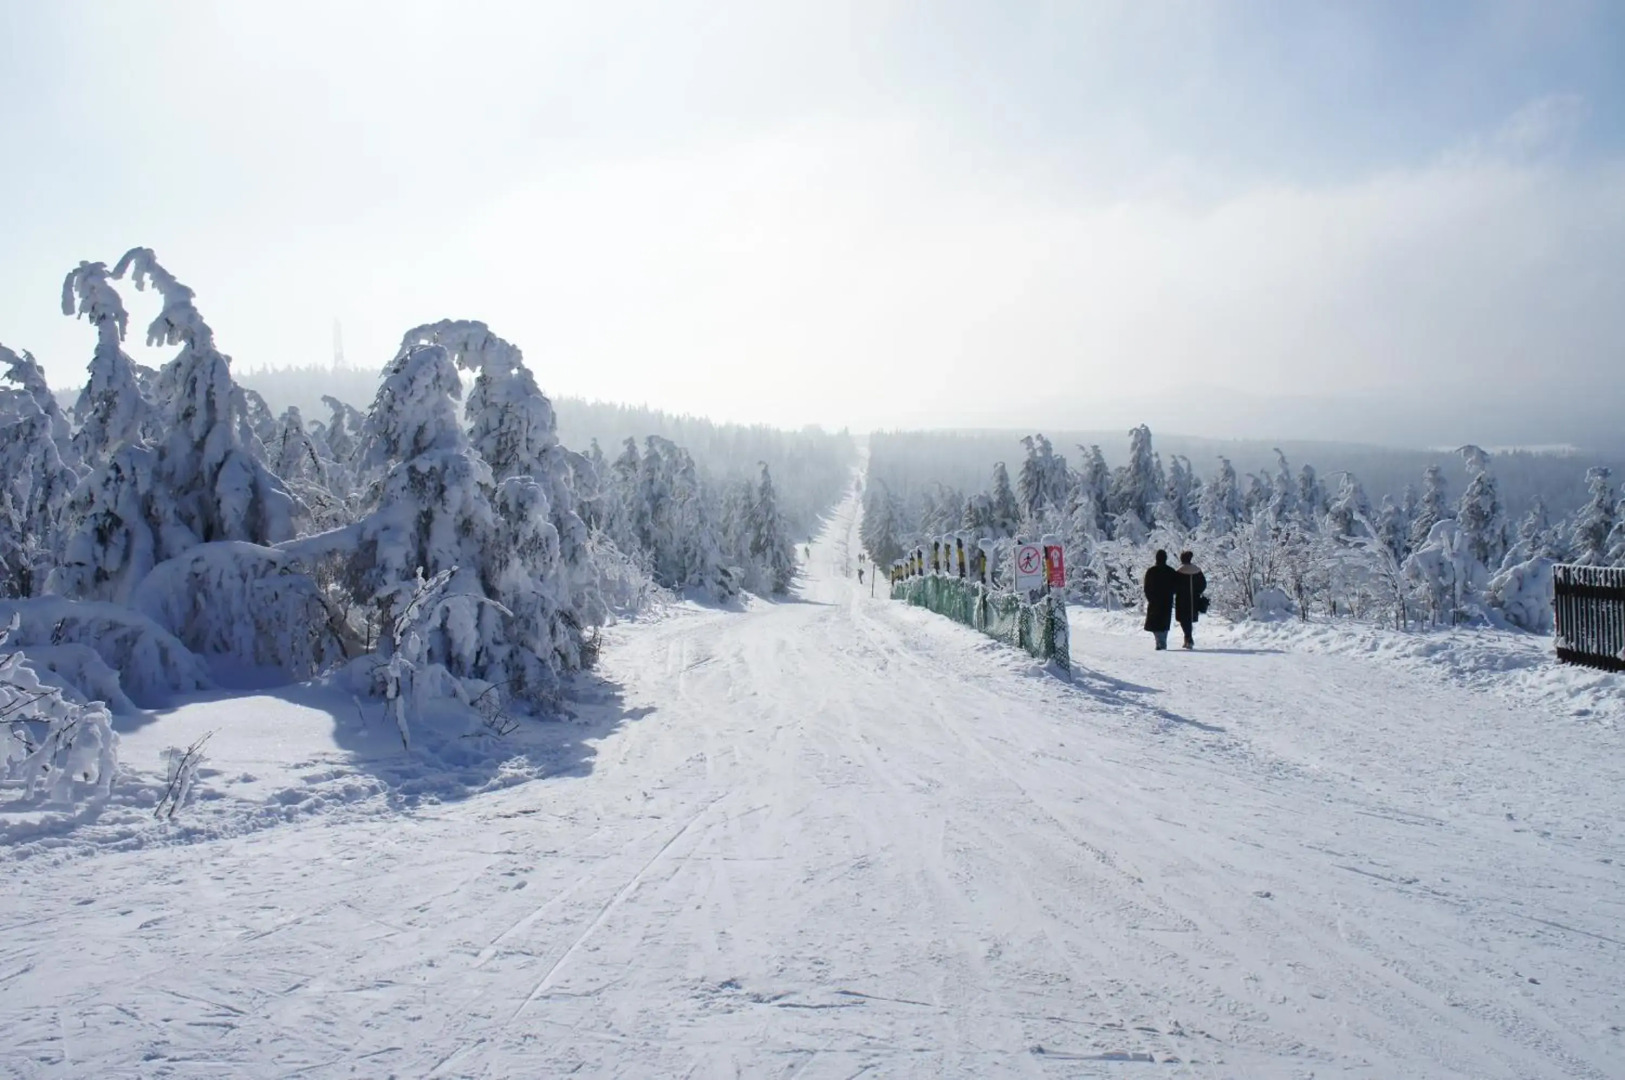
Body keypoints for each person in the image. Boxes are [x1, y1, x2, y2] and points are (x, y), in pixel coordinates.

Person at [1142, 549, 1177, 651]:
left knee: (1156, 624)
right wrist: (1170, 594)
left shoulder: (1151, 571)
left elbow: (1146, 587)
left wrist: (1150, 598)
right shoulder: (1171, 571)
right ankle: (1162, 642)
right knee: (1164, 623)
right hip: (1167, 601)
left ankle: (1160, 642)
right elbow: (1176, 586)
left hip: (1155, 601)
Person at [1174, 550, 1208, 650]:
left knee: (1184, 619)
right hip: (1194, 598)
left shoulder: (1179, 571)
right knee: (1188, 618)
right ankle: (1188, 638)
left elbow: (1174, 585)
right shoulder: (1197, 571)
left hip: (1182, 599)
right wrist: (1197, 592)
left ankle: (1188, 638)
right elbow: (1203, 584)